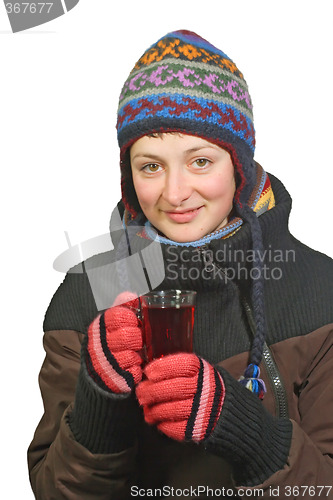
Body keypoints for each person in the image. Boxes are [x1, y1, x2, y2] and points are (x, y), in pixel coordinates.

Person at [28, 30, 333, 499]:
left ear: (240, 165)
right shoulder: (84, 294)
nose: (174, 193)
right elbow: (56, 492)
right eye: (151, 166)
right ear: (129, 175)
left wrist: (246, 432)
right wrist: (100, 400)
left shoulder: (320, 290)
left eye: (200, 161)